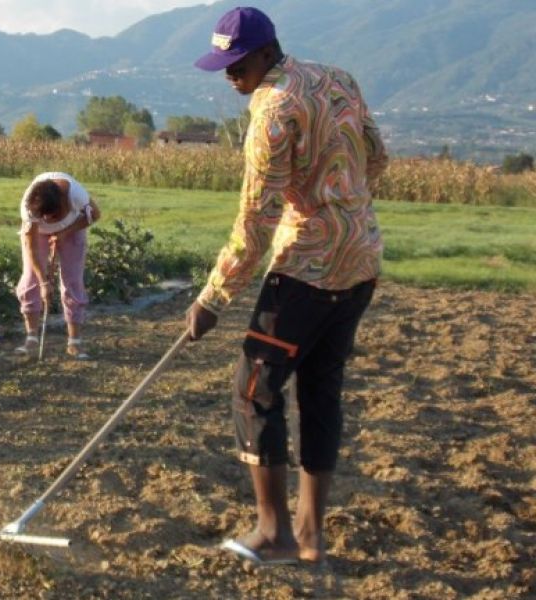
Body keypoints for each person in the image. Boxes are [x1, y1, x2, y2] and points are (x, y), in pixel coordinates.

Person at [185, 6, 387, 565]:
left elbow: (256, 220)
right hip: (361, 259)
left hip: (308, 271)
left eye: (237, 62)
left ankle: (273, 533)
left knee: (254, 391)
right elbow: (377, 154)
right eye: (222, 63)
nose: (229, 74)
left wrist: (212, 298)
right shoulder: (337, 78)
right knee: (321, 389)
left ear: (267, 53)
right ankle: (309, 538)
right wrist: (342, 203)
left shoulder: (273, 111)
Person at [14, 172, 101, 360]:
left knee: (72, 281)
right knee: (31, 279)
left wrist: (65, 232)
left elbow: (95, 215)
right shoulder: (29, 206)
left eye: (55, 216)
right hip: (39, 236)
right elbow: (31, 246)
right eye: (46, 217)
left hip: (73, 229)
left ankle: (74, 342)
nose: (51, 221)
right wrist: (44, 282)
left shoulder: (76, 194)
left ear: (63, 202)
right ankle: (31, 339)